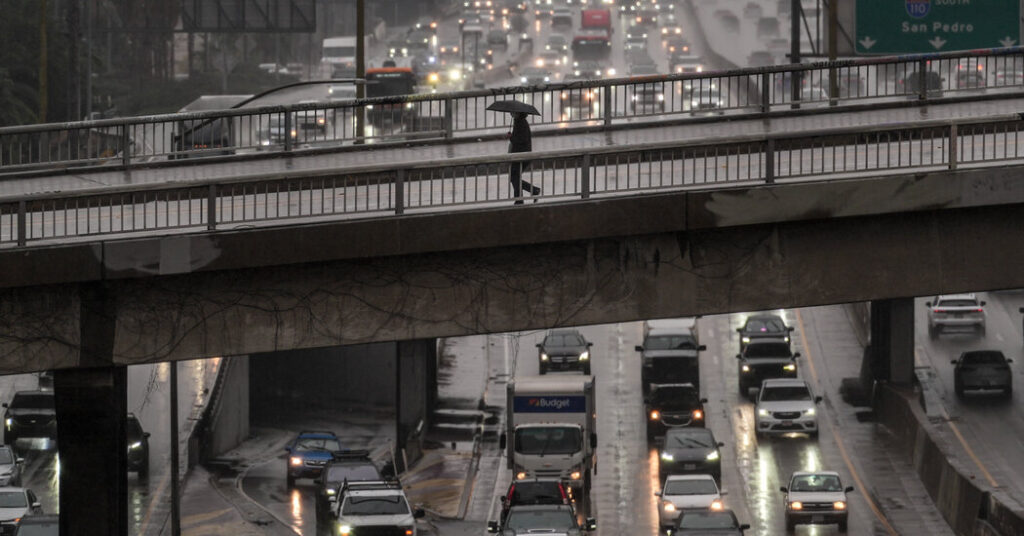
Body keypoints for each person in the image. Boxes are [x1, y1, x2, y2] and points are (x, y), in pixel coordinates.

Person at [508, 111, 541, 204]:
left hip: (522, 155)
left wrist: (511, 137)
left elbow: (521, 140)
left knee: (514, 177)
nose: (511, 114)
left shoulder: (521, 123)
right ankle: (527, 195)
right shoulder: (519, 122)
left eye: (513, 113)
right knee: (515, 177)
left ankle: (521, 199)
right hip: (519, 155)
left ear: (518, 113)